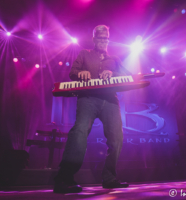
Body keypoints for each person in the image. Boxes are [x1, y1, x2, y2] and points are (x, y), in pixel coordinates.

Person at [53, 25, 129, 193]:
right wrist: (80, 73)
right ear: (94, 39)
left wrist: (112, 73)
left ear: (109, 39)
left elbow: (127, 76)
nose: (103, 41)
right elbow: (73, 72)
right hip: (88, 98)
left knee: (116, 137)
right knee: (80, 131)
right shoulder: (84, 54)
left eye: (105, 38)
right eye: (100, 38)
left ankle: (109, 178)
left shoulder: (115, 59)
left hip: (110, 99)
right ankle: (64, 178)